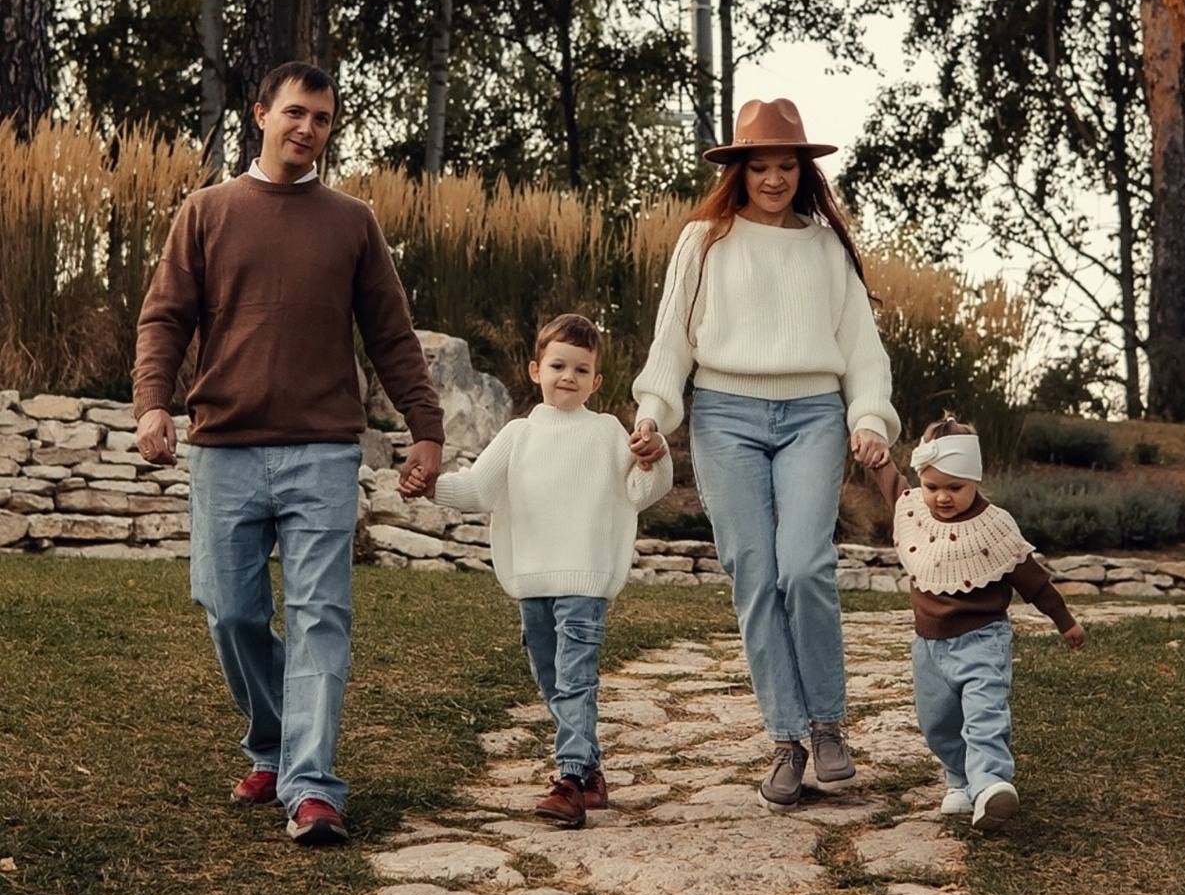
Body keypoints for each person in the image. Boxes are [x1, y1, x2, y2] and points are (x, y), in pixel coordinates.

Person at [132, 61, 444, 847]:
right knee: (229, 610)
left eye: (324, 120)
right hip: (225, 449)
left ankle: (311, 787)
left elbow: (391, 336)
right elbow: (164, 320)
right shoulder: (206, 212)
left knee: (319, 617)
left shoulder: (352, 222)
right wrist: (151, 406)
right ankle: (272, 740)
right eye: (296, 114)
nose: (309, 130)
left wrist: (427, 428)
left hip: (322, 452)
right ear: (261, 113)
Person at [629, 98, 900, 813]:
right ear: (739, 172)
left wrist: (869, 417)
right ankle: (786, 740)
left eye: (787, 166)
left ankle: (828, 725)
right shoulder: (704, 241)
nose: (774, 178)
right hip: (724, 415)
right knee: (753, 570)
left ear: (803, 173)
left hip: (813, 413)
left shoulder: (826, 247)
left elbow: (863, 352)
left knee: (804, 565)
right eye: (761, 167)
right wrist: (653, 415)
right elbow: (671, 344)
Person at [403, 313, 671, 829]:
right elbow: (478, 490)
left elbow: (641, 493)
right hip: (533, 582)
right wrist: (429, 485)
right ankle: (590, 773)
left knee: (574, 680)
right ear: (534, 370)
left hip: (584, 581)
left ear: (596, 381)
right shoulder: (518, 435)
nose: (567, 376)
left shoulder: (608, 432)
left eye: (581, 369)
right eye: (557, 365)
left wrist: (653, 460)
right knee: (550, 678)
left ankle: (569, 780)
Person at [874, 415, 1086, 830]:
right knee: (937, 721)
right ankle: (960, 779)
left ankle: (991, 785)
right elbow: (894, 485)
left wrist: (1065, 621)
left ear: (975, 479)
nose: (943, 498)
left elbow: (1033, 580)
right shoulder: (916, 510)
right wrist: (878, 459)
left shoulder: (994, 527)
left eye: (956, 487)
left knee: (984, 713)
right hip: (929, 646)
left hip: (982, 639)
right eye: (933, 487)